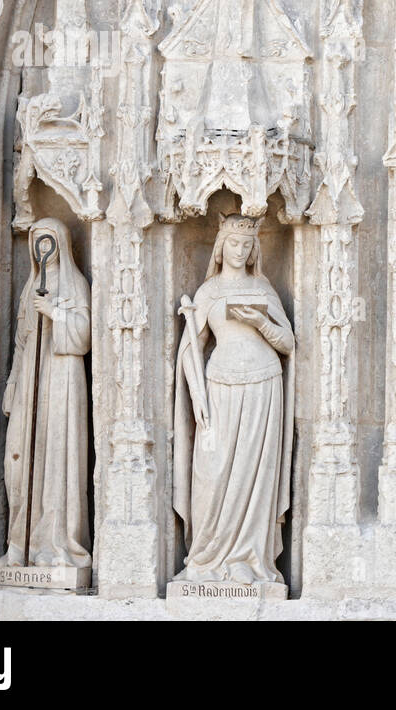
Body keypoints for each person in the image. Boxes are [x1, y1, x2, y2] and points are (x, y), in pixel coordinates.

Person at [173, 214, 296, 585]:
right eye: (233, 244)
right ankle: (207, 556)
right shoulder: (208, 292)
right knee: (213, 472)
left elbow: (288, 344)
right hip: (219, 387)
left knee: (253, 474)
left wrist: (260, 323)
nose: (240, 251)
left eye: (247, 245)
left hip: (263, 385)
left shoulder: (263, 289)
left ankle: (248, 556)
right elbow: (188, 352)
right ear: (220, 246)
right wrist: (196, 395)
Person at [0, 218, 92, 569]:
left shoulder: (76, 284)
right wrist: (12, 384)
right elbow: (22, 342)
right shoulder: (29, 287)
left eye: (48, 240)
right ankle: (18, 544)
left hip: (61, 377)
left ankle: (55, 545)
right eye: (37, 241)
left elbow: (84, 337)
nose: (42, 248)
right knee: (19, 459)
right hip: (30, 380)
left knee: (56, 458)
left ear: (61, 245)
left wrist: (55, 312)